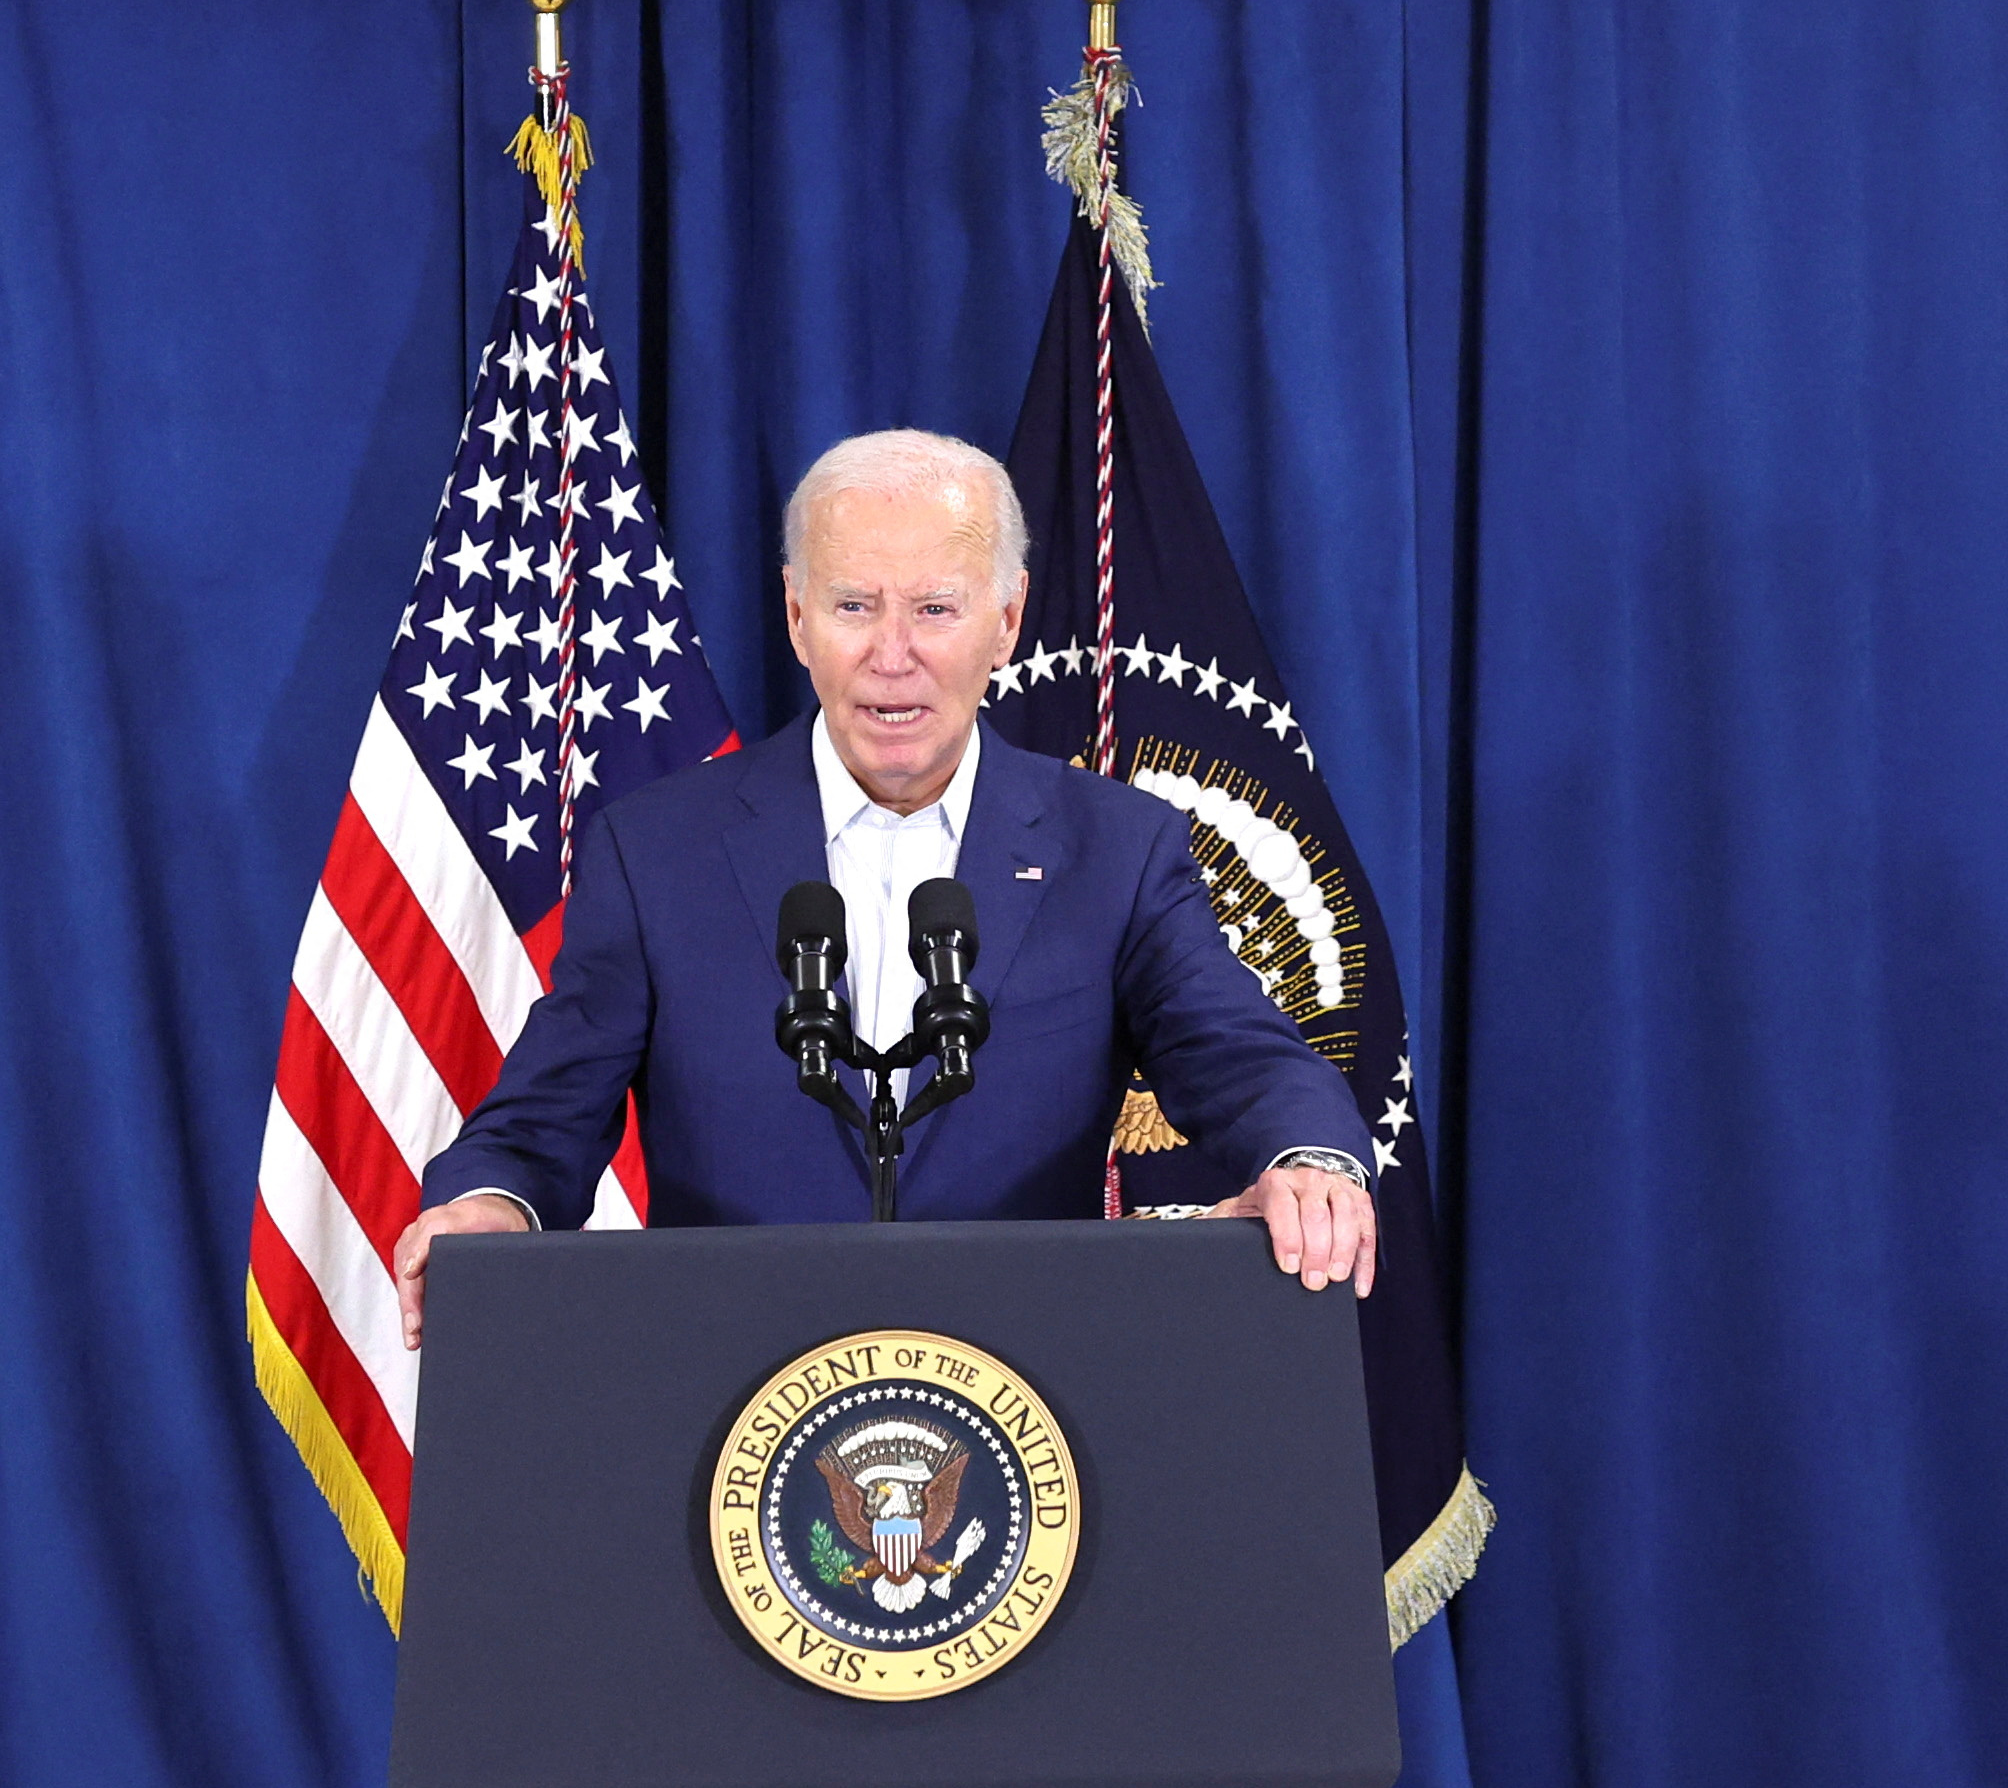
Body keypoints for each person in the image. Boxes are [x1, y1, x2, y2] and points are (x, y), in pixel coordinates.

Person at [395, 429, 1376, 1347]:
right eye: (854, 606)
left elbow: (1239, 1054)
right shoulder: (655, 851)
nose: (892, 654)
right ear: (797, 617)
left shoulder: (1115, 848)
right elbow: (541, 1118)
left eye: (935, 609)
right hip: (731, 1386)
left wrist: (1310, 1161)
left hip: (1024, 1380)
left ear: (1006, 621)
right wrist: (486, 1203)